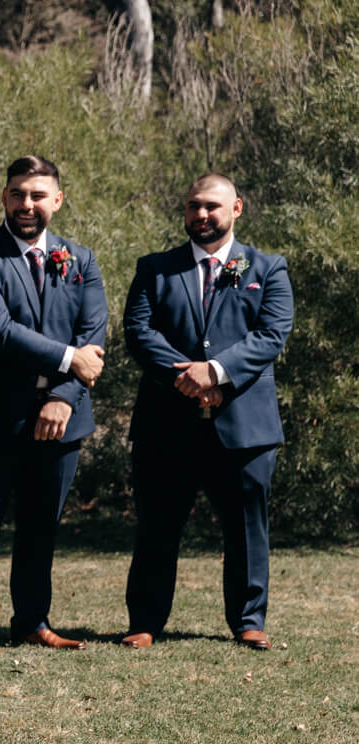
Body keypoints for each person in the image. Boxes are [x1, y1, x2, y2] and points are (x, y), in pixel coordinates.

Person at [0, 156, 106, 661]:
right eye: (17, 194)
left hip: (62, 419)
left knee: (41, 524)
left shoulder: (82, 260)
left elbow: (93, 339)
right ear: (4, 197)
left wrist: (63, 397)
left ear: (57, 200)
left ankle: (32, 622)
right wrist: (69, 359)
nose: (26, 204)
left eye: (37, 195)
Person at [121, 173, 293, 650]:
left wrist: (216, 373)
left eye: (212, 206)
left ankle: (249, 621)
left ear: (236, 209)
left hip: (244, 425)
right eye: (193, 205)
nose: (201, 214)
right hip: (166, 421)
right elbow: (139, 331)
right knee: (157, 526)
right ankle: (145, 621)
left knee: (247, 529)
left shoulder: (268, 268)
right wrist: (189, 377)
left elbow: (271, 335)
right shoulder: (155, 268)